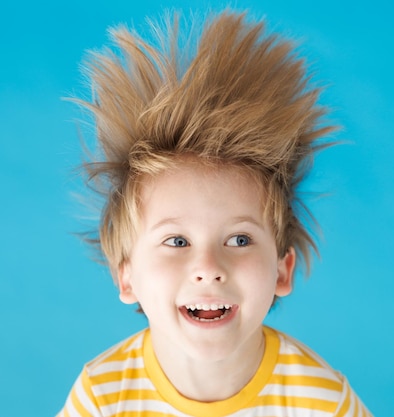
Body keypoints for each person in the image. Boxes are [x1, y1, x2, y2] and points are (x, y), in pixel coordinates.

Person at [57, 9, 371, 417]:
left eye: (239, 240)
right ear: (127, 275)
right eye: (177, 241)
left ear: (281, 270)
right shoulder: (101, 397)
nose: (208, 267)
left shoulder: (324, 403)